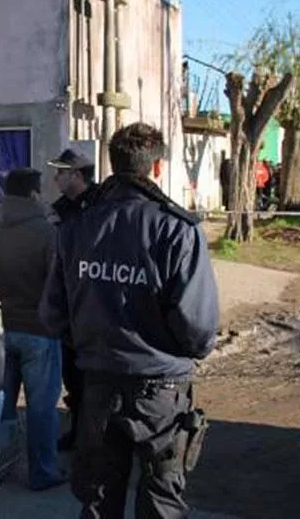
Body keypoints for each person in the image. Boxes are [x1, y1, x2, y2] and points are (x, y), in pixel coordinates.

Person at [39, 122, 219, 518]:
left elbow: (53, 314)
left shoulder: (77, 226)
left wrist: (93, 342)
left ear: (113, 165)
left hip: (98, 383)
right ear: (156, 168)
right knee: (160, 499)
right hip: (160, 389)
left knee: (99, 499)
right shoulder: (177, 229)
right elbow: (199, 330)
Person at [0, 167, 66, 491]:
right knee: (41, 407)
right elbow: (59, 283)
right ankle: (42, 471)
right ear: (34, 193)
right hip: (40, 330)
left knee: (3, 405)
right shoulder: (48, 233)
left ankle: (0, 466)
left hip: (0, 329)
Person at [46, 148, 98, 452]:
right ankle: (79, 431)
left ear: (77, 175)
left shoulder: (100, 207)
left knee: (96, 381)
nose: (56, 178)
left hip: (93, 303)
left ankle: (96, 438)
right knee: (74, 378)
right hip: (68, 306)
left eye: (61, 172)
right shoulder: (61, 210)